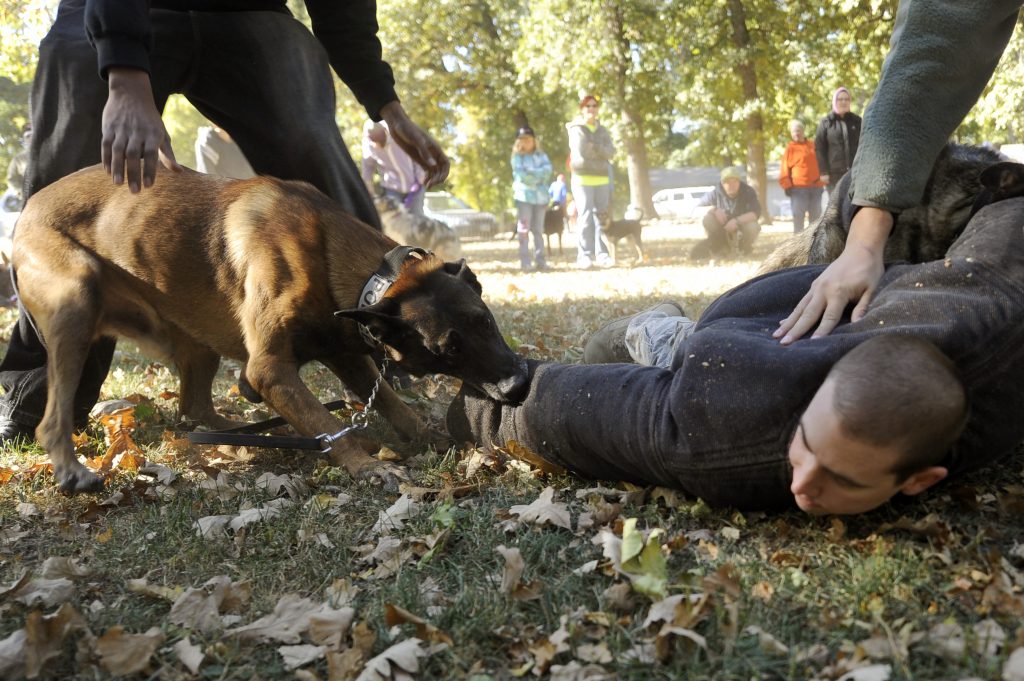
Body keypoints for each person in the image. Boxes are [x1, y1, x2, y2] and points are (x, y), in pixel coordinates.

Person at [0, 0, 450, 443]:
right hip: (115, 10)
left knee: (313, 143)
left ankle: (381, 342)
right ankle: (34, 397)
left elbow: (343, 11)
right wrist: (124, 79)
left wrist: (388, 107)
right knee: (75, 172)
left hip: (249, 13)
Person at [448, 194, 1024, 515]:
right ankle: (659, 334)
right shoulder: (740, 432)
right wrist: (461, 416)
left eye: (843, 480)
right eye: (806, 446)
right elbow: (561, 409)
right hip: (749, 330)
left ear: (920, 481)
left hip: (910, 297)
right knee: (682, 355)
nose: (801, 486)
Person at [777, 0, 1021, 345]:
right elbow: (940, 33)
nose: (845, 104)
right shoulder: (825, 126)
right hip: (860, 187)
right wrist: (866, 234)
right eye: (842, 100)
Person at [567, 95, 615, 269]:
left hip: (602, 177)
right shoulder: (576, 129)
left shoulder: (602, 130)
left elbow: (611, 151)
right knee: (585, 216)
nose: (591, 109)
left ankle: (602, 254)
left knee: (601, 216)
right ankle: (584, 255)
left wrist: (596, 147)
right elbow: (582, 152)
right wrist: (600, 150)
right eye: (588, 106)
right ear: (582, 109)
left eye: (594, 106)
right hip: (582, 178)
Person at [691, 167, 762, 259]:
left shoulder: (748, 191)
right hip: (721, 231)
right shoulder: (715, 193)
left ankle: (744, 249)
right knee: (708, 219)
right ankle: (719, 249)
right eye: (727, 182)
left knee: (752, 226)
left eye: (734, 181)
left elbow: (755, 213)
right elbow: (696, 210)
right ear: (722, 183)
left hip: (740, 229)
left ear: (739, 182)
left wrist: (736, 221)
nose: (731, 185)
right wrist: (714, 210)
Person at [361, 120, 427, 216]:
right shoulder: (369, 145)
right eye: (373, 140)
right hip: (392, 189)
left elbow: (416, 156)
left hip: (415, 186)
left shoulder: (399, 136)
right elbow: (367, 169)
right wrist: (369, 190)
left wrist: (420, 179)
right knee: (395, 220)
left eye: (378, 138)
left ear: (385, 131)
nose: (376, 143)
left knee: (417, 218)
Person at [510, 126, 552, 272]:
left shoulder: (542, 156)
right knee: (523, 230)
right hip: (524, 198)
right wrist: (537, 175)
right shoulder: (517, 158)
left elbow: (548, 172)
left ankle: (540, 261)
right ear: (518, 142)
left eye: (528, 139)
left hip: (540, 198)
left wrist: (532, 173)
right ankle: (525, 261)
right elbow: (522, 176)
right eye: (522, 140)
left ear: (534, 140)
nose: (525, 142)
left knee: (538, 230)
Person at [779, 120, 825, 233]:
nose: (796, 134)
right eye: (793, 132)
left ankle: (813, 246)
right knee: (798, 219)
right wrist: (786, 185)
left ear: (803, 131)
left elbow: (822, 162)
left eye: (798, 131)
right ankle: (798, 247)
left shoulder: (812, 145)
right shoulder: (790, 148)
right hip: (798, 189)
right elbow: (784, 168)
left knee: (815, 219)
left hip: (816, 187)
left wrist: (823, 178)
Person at [814, 87, 861, 195]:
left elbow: (864, 145)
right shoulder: (826, 123)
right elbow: (819, 149)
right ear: (835, 101)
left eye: (846, 99)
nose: (844, 102)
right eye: (840, 99)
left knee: (853, 208)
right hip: (833, 175)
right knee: (836, 208)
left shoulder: (857, 121)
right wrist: (823, 172)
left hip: (855, 173)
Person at [4, 126, 30, 212]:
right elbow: (11, 179)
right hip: (29, 200)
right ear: (24, 139)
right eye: (28, 136)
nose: (31, 138)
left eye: (33, 134)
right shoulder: (18, 159)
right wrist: (22, 193)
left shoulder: (49, 153)